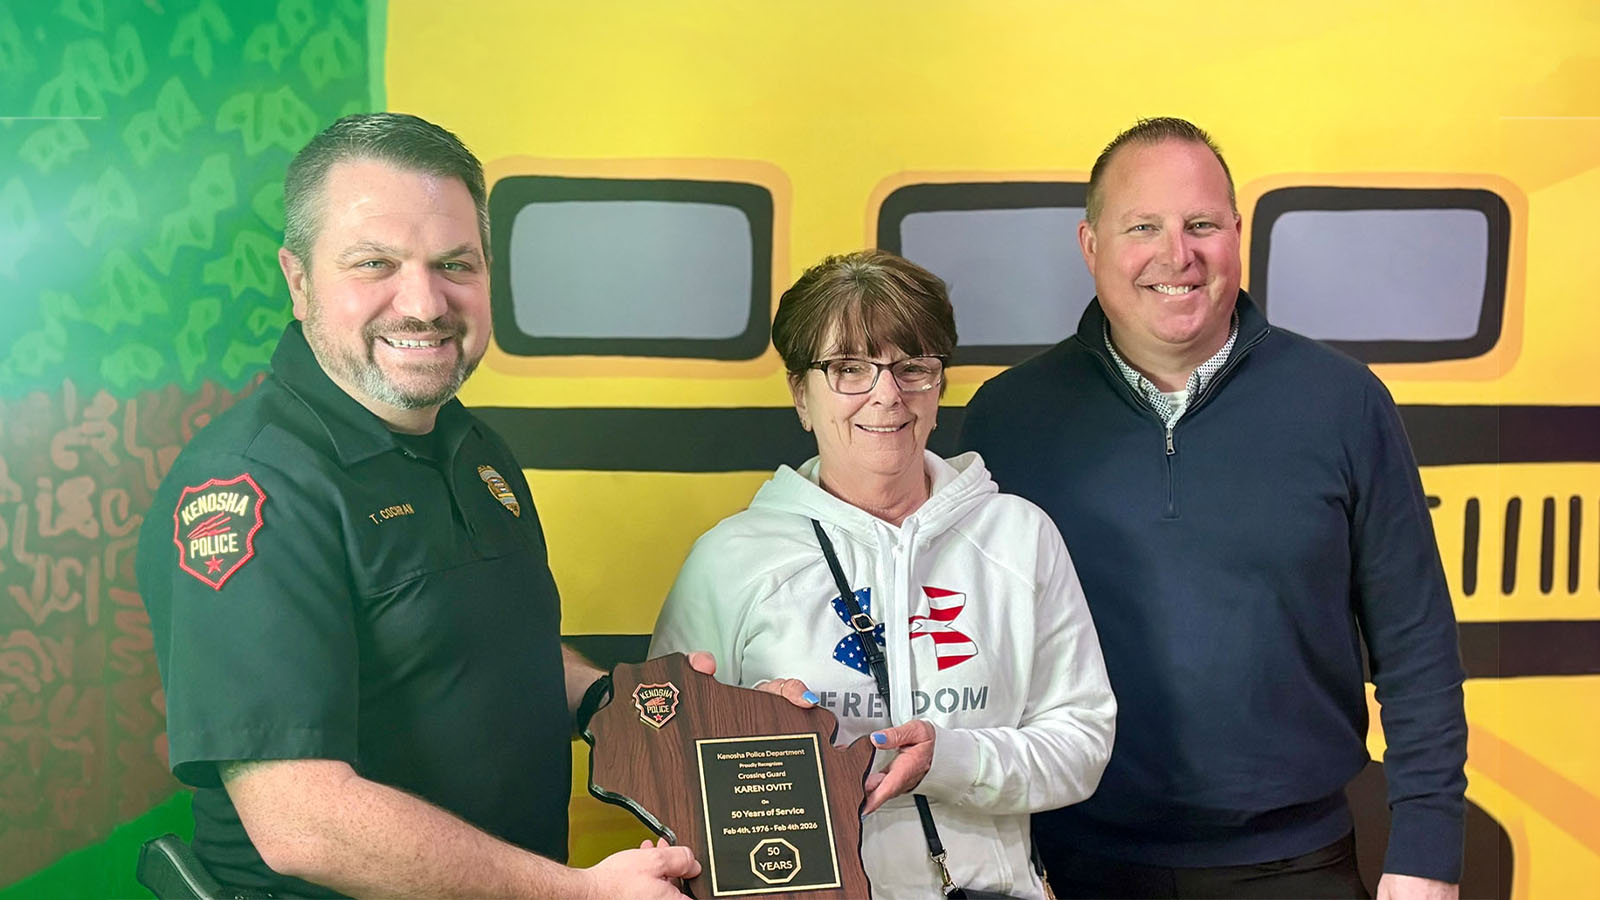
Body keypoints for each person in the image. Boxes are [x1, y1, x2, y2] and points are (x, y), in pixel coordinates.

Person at [136, 113, 699, 899]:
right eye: (375, 263)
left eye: (455, 263)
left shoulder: (473, 448)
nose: (425, 302)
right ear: (298, 281)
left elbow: (486, 655)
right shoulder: (253, 487)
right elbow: (302, 819)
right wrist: (579, 893)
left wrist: (624, 705)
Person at [959, 117, 1468, 900]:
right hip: (1065, 864)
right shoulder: (1008, 419)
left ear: (1239, 235)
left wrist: (1428, 848)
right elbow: (960, 639)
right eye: (1143, 227)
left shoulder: (1344, 403)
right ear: (1091, 246)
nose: (1177, 255)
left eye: (1201, 225)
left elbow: (1417, 643)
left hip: (1298, 865)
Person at [650, 250, 1117, 899]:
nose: (886, 394)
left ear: (939, 384)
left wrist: (949, 761)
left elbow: (1082, 740)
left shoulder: (1018, 536)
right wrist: (751, 741)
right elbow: (660, 765)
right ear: (800, 394)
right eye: (849, 368)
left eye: (912, 367)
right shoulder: (731, 560)